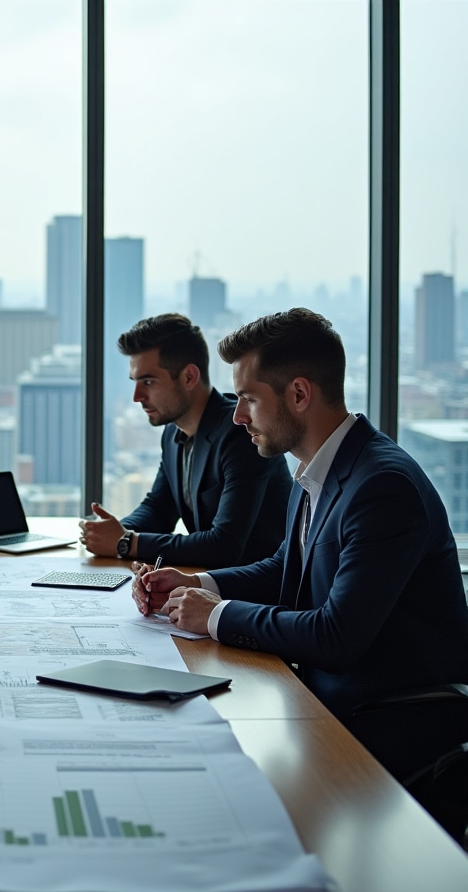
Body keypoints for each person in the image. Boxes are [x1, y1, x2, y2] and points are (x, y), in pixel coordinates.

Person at [137, 308, 468, 778]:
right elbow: (284, 567)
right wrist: (197, 583)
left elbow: (336, 638)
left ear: (298, 394)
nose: (237, 416)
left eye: (248, 398)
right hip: (329, 702)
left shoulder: (382, 486)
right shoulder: (319, 467)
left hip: (391, 723)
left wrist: (215, 615)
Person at [79, 313, 291, 567]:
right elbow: (159, 509)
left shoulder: (241, 433)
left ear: (189, 377)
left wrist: (126, 542)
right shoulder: (173, 433)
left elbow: (223, 546)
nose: (137, 396)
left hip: (259, 586)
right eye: (135, 382)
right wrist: (113, 532)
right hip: (205, 581)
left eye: (148, 382)